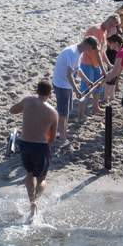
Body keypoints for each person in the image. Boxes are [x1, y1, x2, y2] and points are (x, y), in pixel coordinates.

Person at [9, 80, 58, 219]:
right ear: (50, 93)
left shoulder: (28, 100)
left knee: (30, 174)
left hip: (25, 144)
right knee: (42, 178)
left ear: (37, 91)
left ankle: (32, 201)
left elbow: (12, 110)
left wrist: (24, 106)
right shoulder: (53, 112)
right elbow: (52, 138)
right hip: (41, 146)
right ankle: (36, 199)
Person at [53, 36, 99, 140]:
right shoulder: (72, 53)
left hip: (67, 84)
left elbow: (77, 70)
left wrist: (87, 81)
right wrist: (76, 90)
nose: (91, 52)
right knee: (63, 112)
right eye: (91, 49)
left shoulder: (80, 52)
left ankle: (61, 131)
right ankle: (62, 136)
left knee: (67, 109)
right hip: (61, 84)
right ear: (87, 45)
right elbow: (69, 74)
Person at [78, 15, 121, 121]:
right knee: (86, 89)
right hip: (87, 63)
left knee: (98, 87)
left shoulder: (105, 31)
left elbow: (102, 51)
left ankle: (96, 108)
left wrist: (109, 64)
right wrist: (103, 68)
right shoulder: (95, 30)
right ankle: (80, 114)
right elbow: (93, 51)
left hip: (97, 64)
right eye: (110, 23)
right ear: (107, 19)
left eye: (113, 25)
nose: (111, 26)